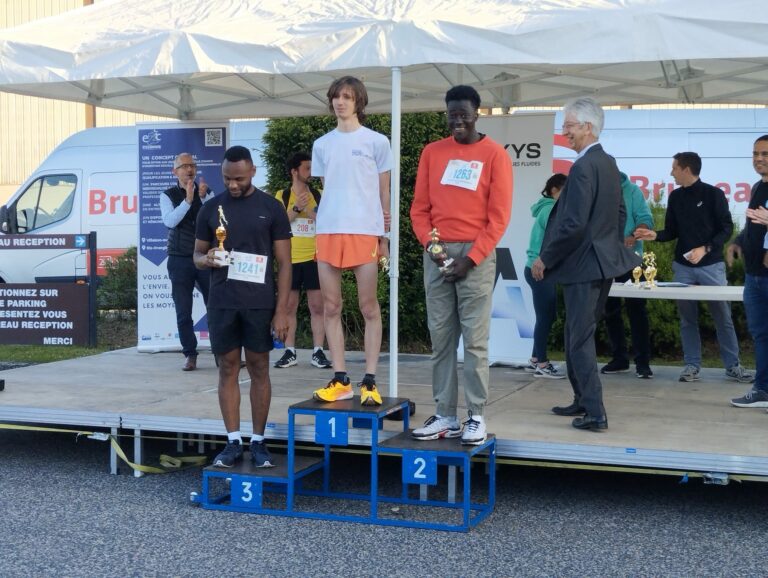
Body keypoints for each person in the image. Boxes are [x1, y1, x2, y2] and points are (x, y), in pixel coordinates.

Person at [410, 84, 513, 445]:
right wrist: (432, 247)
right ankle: (444, 415)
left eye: (463, 114)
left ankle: (476, 415)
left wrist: (469, 259)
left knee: (475, 341)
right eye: (451, 113)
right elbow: (419, 209)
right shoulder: (432, 153)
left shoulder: (494, 155)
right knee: (441, 339)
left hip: (476, 257)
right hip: (437, 253)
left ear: (476, 114)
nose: (456, 120)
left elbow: (498, 218)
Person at [532, 97, 639, 432]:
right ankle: (581, 399)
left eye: (569, 126)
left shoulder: (582, 167)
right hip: (600, 262)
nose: (564, 133)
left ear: (588, 127)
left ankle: (595, 412)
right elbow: (620, 213)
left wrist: (545, 257)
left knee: (578, 339)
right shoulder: (608, 163)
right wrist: (611, 244)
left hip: (583, 265)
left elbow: (573, 223)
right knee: (576, 334)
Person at [193, 145, 292, 468]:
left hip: (260, 303)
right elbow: (196, 254)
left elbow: (285, 263)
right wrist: (206, 259)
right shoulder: (211, 210)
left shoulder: (272, 208)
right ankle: (233, 441)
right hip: (222, 301)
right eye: (226, 179)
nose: (232, 185)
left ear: (252, 171)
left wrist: (282, 311)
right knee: (228, 368)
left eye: (238, 178)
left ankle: (259, 441)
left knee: (260, 368)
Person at [634, 152, 754, 384]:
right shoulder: (676, 197)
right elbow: (671, 231)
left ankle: (733, 366)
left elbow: (726, 229)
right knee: (687, 319)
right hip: (683, 268)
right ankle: (691, 366)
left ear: (686, 169)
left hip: (712, 266)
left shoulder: (714, 194)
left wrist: (705, 249)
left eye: (674, 168)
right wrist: (653, 235)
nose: (671, 172)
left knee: (723, 317)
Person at [309, 76, 393, 407]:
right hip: (329, 230)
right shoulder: (322, 144)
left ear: (359, 101)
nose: (340, 102)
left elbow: (383, 191)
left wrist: (384, 236)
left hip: (364, 231)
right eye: (336, 97)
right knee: (331, 306)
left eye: (347, 96)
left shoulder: (377, 141)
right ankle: (340, 378)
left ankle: (369, 380)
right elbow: (331, 187)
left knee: (368, 306)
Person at [272, 151, 332, 370]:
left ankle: (318, 351)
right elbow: (278, 224)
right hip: (290, 258)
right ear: (294, 171)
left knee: (318, 306)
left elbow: (328, 221)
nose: (311, 172)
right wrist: (296, 209)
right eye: (307, 168)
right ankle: (290, 351)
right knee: (289, 306)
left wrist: (310, 210)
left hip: (315, 257)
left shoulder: (319, 193)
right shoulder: (282, 195)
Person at [725, 135, 768, 409]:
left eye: (765, 154)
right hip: (754, 278)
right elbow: (753, 227)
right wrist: (737, 243)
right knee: (761, 336)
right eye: (755, 154)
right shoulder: (757, 187)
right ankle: (762, 390)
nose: (759, 159)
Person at [159, 153, 212, 371]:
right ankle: (190, 354)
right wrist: (188, 201)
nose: (189, 169)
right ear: (175, 172)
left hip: (204, 258)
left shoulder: (206, 191)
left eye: (192, 165)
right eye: (184, 166)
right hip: (179, 257)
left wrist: (204, 199)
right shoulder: (167, 195)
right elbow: (170, 221)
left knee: (216, 306)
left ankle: (222, 353)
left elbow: (216, 219)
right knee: (183, 309)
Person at [600, 172, 655, 379]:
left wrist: (636, 234)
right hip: (606, 259)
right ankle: (620, 359)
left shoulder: (632, 191)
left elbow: (645, 218)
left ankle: (643, 363)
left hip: (632, 260)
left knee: (637, 310)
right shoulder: (598, 191)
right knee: (610, 311)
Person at [524, 173, 567, 379]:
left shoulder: (546, 207)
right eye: (565, 191)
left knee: (546, 316)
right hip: (539, 269)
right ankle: (542, 363)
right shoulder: (551, 209)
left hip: (537, 268)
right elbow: (556, 239)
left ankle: (535, 360)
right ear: (554, 191)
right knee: (546, 317)